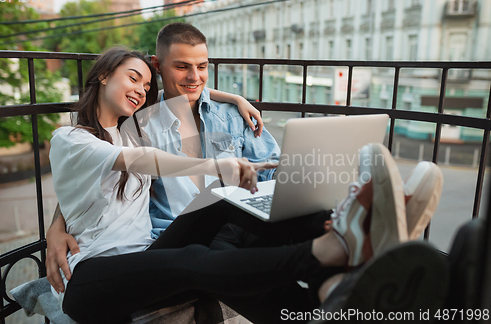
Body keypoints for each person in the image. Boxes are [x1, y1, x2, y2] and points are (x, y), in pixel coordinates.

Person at [46, 45, 428, 324]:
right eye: (133, 78)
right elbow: (138, 163)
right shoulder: (72, 139)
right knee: (193, 258)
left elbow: (188, 92)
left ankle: (344, 236)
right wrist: (55, 229)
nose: (141, 90)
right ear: (101, 75)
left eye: (146, 84)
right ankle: (330, 247)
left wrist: (236, 99)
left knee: (221, 199)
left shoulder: (132, 129)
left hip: (147, 254)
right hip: (91, 280)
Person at [47, 22, 285, 290]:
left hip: (236, 224)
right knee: (223, 226)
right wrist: (57, 224)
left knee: (298, 227)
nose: (194, 76)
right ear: (158, 65)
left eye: (202, 67)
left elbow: (273, 168)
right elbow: (92, 172)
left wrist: (236, 98)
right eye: (182, 66)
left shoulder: (231, 114)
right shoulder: (136, 125)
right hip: (174, 239)